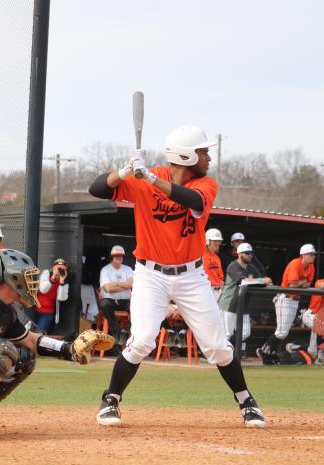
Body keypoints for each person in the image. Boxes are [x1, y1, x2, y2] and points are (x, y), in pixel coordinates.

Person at [88, 124, 267, 428]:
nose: (208, 157)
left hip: (191, 275)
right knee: (142, 340)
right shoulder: (144, 176)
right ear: (185, 156)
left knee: (216, 345)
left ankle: (247, 401)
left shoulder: (205, 184)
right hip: (150, 274)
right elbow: (97, 189)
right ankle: (111, 400)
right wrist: (126, 170)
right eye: (202, 152)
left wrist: (152, 179)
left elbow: (193, 201)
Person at [0, 249, 108, 440]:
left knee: (24, 359)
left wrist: (70, 349)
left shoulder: (6, 312)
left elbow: (31, 340)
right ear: (11, 278)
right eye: (26, 277)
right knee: (2, 351)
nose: (31, 282)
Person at [257, 243, 316, 358]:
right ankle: (263, 350)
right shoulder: (295, 263)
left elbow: (308, 283)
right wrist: (301, 283)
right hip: (285, 298)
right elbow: (292, 285)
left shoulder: (311, 267)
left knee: (283, 332)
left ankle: (268, 352)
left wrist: (300, 283)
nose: (313, 256)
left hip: (295, 299)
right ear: (303, 255)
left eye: (313, 254)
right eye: (310, 254)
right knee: (282, 332)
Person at [218, 243, 272, 343]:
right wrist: (261, 281)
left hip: (243, 305)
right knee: (228, 334)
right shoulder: (233, 266)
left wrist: (262, 281)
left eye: (251, 253)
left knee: (245, 333)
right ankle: (221, 356)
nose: (250, 255)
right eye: (247, 253)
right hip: (229, 303)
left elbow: (261, 280)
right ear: (239, 254)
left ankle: (229, 352)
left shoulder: (252, 268)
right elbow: (242, 281)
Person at [98, 246, 133, 345]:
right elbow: (108, 289)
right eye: (116, 256)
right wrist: (124, 285)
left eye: (121, 255)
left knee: (138, 307)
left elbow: (131, 284)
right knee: (104, 304)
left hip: (126, 300)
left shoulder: (128, 269)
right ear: (111, 257)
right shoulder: (105, 270)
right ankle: (117, 331)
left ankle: (125, 331)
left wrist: (116, 283)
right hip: (110, 300)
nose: (119, 257)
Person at [33, 258, 69, 333]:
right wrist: (52, 278)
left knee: (40, 333)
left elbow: (62, 298)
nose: (58, 271)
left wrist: (62, 281)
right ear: (53, 268)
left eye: (61, 269)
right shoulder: (47, 273)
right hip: (34, 309)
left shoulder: (63, 281)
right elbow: (43, 289)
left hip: (47, 313)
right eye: (57, 269)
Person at [203, 228, 224, 300]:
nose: (217, 243)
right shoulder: (200, 256)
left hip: (218, 291)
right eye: (215, 241)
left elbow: (221, 277)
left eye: (219, 241)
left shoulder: (217, 258)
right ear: (208, 241)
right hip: (206, 291)